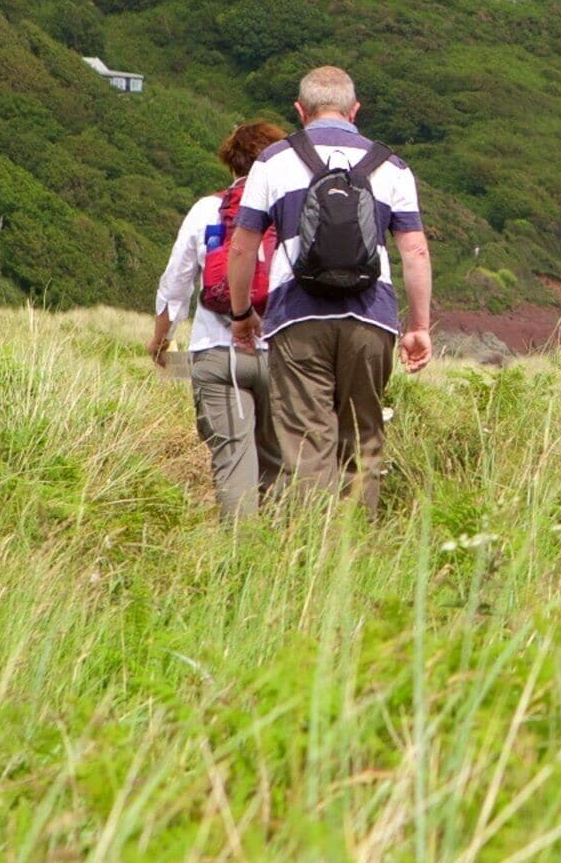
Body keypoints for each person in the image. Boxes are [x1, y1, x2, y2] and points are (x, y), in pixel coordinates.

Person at [224, 65, 433, 512]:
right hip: (371, 318)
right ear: (354, 110)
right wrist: (419, 326)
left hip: (297, 318)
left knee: (306, 446)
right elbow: (415, 251)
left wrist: (242, 316)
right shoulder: (392, 166)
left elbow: (242, 249)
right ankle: (356, 558)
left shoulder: (273, 161)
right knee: (363, 442)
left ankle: (313, 560)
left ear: (300, 111)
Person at [153, 120, 290, 521]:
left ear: (232, 164)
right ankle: (286, 559)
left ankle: (240, 558)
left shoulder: (206, 209)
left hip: (218, 353)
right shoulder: (293, 212)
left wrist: (161, 340)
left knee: (234, 459)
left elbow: (174, 285)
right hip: (282, 355)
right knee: (280, 460)